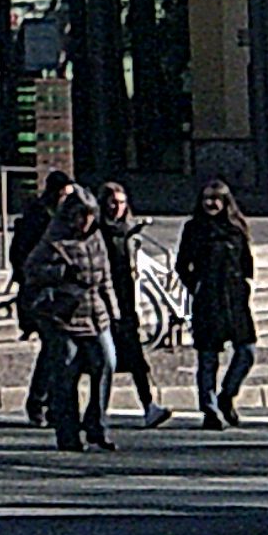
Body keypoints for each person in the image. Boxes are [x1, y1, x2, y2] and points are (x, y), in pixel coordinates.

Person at [20, 193, 118, 451]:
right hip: (65, 316)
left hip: (96, 314)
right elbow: (31, 270)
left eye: (89, 215)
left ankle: (97, 423)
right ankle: (68, 432)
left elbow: (106, 276)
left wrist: (115, 311)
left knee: (107, 363)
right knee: (67, 371)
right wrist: (61, 273)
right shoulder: (54, 241)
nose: (85, 221)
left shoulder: (96, 239)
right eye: (80, 215)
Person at [177, 177, 259, 428]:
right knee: (208, 357)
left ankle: (227, 396)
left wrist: (246, 284)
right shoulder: (194, 228)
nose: (211, 204)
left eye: (216, 200)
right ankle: (209, 408)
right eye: (206, 199)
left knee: (247, 351)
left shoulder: (236, 227)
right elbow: (182, 264)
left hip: (235, 298)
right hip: (208, 298)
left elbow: (246, 260)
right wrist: (196, 286)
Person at [96, 181, 175, 427]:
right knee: (100, 361)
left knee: (136, 359)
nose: (117, 207)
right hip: (105, 303)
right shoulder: (98, 232)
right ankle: (94, 412)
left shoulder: (127, 231)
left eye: (121, 202)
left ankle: (148, 405)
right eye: (113, 202)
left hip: (127, 302)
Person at [10, 169, 77, 423]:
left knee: (57, 349)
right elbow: (22, 256)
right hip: (40, 293)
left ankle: (48, 401)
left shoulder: (64, 217)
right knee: (53, 347)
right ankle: (40, 401)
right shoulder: (38, 219)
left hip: (58, 292)